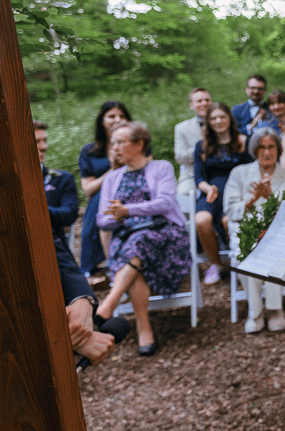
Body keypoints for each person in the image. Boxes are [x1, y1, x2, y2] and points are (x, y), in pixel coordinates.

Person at [94, 122, 192, 357]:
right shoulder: (111, 178)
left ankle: (111, 302)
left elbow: (166, 203)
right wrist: (116, 217)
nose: (115, 147)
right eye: (113, 142)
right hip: (128, 237)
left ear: (139, 144)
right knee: (134, 248)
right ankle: (142, 326)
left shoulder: (161, 167)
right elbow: (101, 220)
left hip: (166, 235)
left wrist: (126, 210)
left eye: (121, 142)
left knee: (139, 242)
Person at [37, 121, 115, 366]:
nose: (41, 147)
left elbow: (68, 215)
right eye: (35, 141)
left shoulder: (60, 178)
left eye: (43, 141)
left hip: (51, 252)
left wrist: (82, 297)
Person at [223, 127, 285, 334]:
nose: (266, 152)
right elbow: (230, 210)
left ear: (278, 149)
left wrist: (270, 196)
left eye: (271, 146)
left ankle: (275, 309)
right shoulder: (239, 173)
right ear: (254, 150)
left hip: (278, 231)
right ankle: (255, 312)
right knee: (246, 254)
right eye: (262, 147)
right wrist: (253, 199)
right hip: (246, 228)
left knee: (271, 251)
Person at [194, 102, 253, 285]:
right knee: (201, 220)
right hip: (213, 192)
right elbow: (199, 178)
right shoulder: (202, 146)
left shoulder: (243, 141)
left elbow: (252, 171)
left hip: (238, 192)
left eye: (222, 117)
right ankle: (216, 264)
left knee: (230, 222)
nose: (218, 121)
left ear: (230, 118)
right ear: (208, 123)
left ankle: (239, 261)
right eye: (213, 118)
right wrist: (208, 189)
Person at [79, 100, 131, 273]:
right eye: (111, 116)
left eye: (122, 116)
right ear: (102, 121)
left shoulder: (136, 145)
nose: (117, 119)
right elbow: (88, 188)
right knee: (100, 202)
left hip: (132, 191)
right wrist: (112, 171)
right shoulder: (90, 151)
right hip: (101, 195)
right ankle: (105, 265)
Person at [174, 87, 212, 196]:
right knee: (183, 193)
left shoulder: (222, 123)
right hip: (191, 175)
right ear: (191, 105)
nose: (204, 103)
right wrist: (201, 147)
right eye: (199, 101)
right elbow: (180, 157)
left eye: (207, 100)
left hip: (219, 170)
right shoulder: (181, 128)